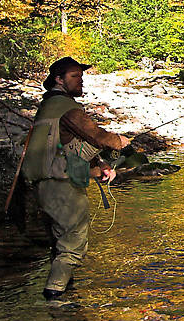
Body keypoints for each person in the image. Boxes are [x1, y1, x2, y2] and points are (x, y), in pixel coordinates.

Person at [22, 56, 131, 302]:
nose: (80, 80)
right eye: (74, 76)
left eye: (81, 76)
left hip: (45, 182)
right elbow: (94, 134)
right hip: (59, 182)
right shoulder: (65, 106)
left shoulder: (49, 105)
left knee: (60, 241)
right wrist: (119, 142)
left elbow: (70, 142)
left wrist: (99, 165)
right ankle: (55, 297)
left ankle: (63, 293)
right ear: (59, 80)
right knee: (74, 239)